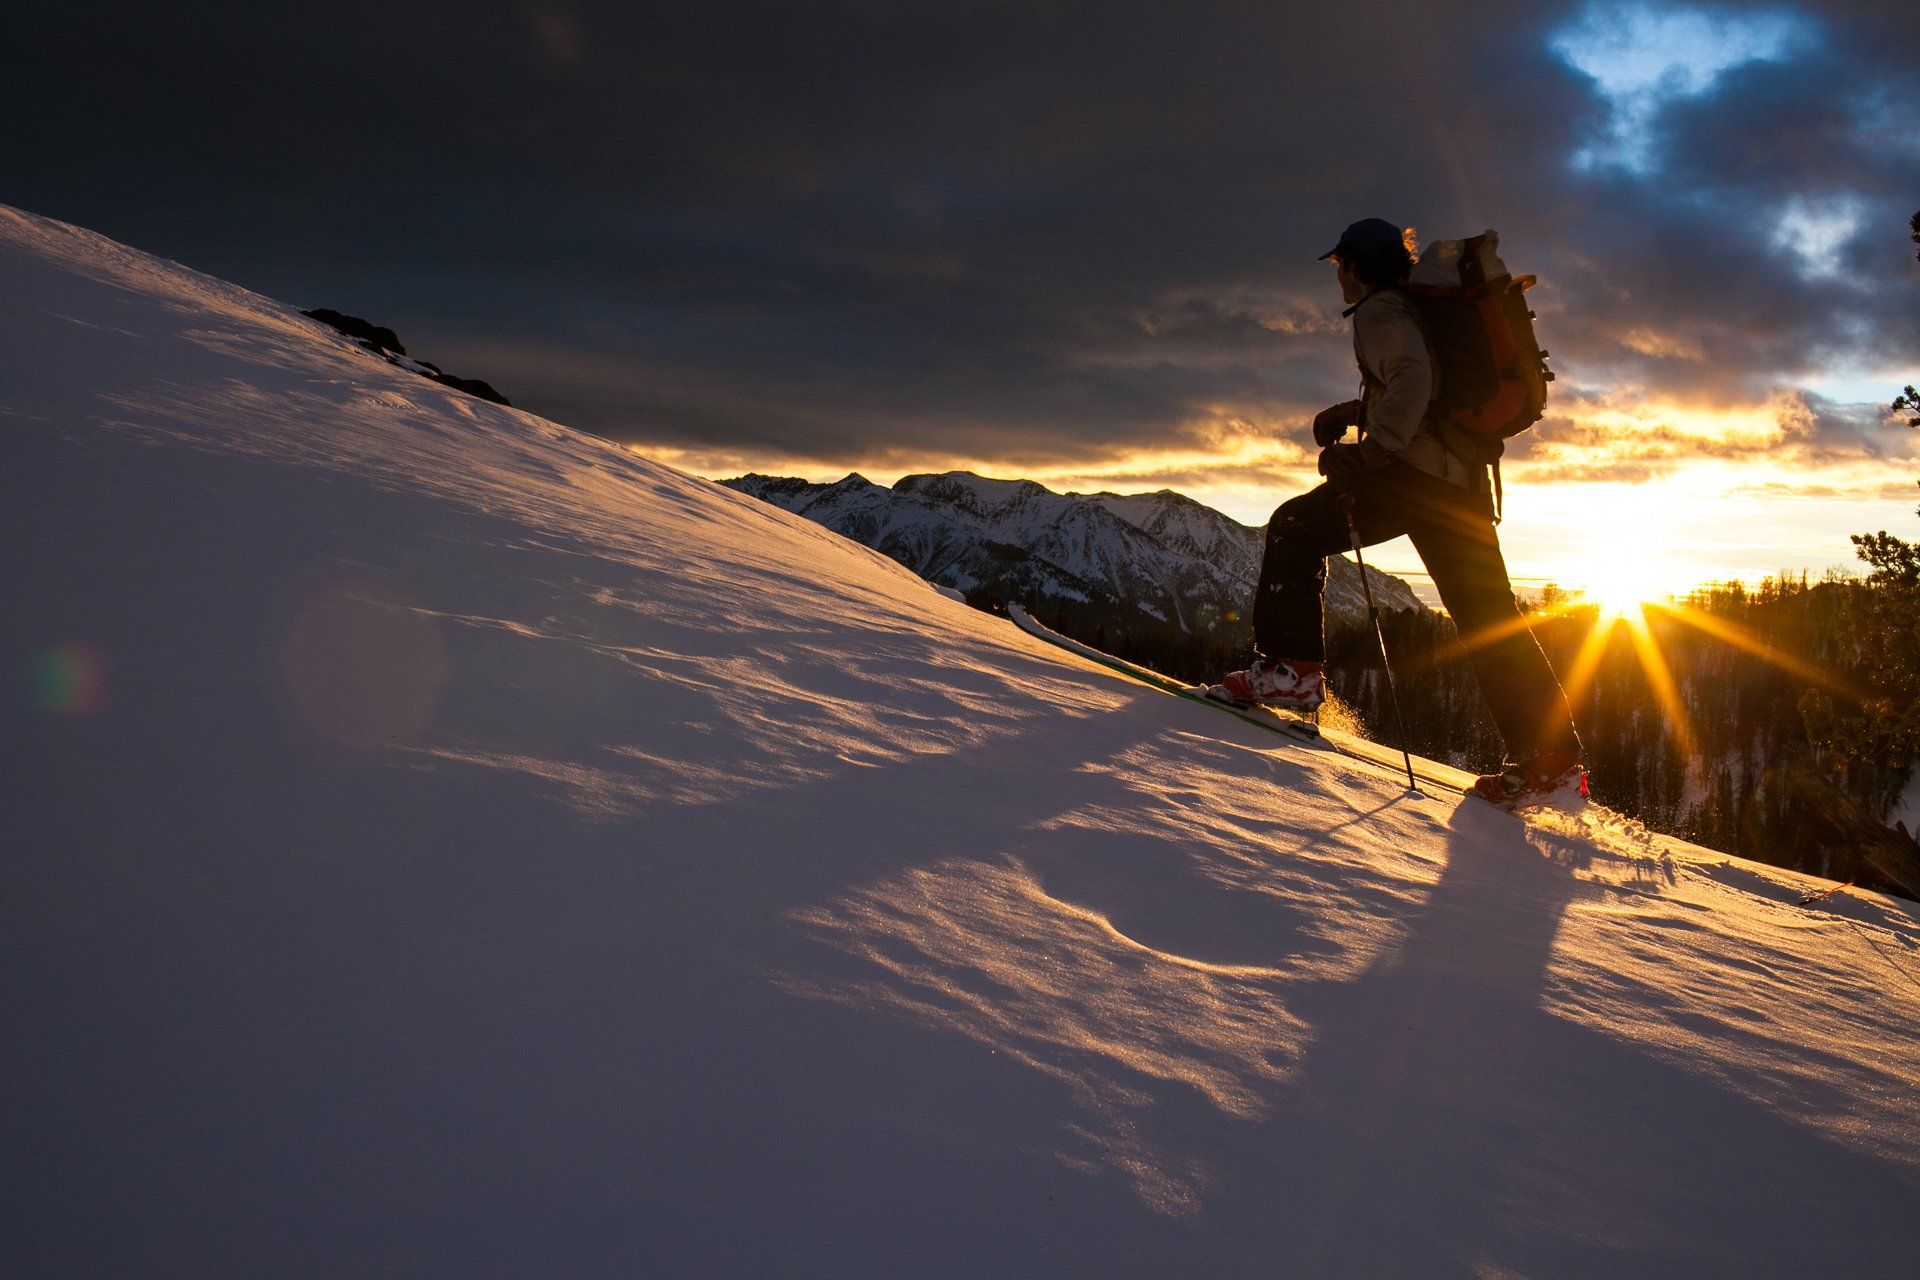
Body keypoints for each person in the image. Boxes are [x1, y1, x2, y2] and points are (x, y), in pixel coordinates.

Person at [1218, 217, 1585, 807]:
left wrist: (1371, 453)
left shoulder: (1380, 311)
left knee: (1293, 526)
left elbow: (1412, 378)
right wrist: (1353, 412)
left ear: (1353, 266)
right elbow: (1427, 388)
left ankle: (1291, 672)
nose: (1338, 276)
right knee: (1489, 617)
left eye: (1340, 265)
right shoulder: (1419, 307)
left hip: (1412, 477)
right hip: (1461, 481)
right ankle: (1553, 761)